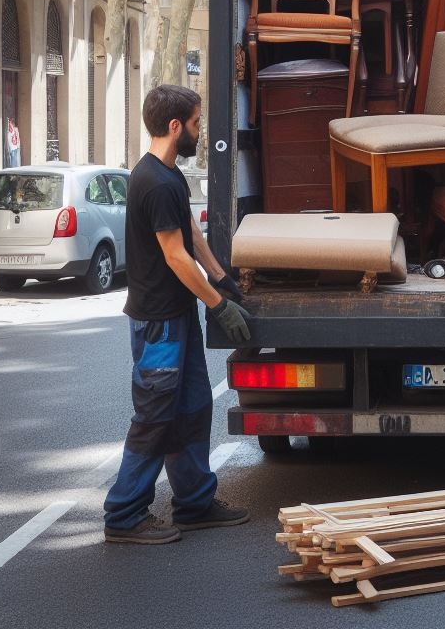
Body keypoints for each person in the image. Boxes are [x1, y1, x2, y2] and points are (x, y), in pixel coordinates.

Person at [104, 84, 252, 545]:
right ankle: (124, 515)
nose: (199, 131)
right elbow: (174, 256)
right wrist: (218, 305)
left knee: (192, 408)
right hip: (159, 324)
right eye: (195, 123)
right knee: (155, 419)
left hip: (177, 315)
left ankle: (194, 503)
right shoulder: (154, 181)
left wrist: (222, 277)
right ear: (175, 126)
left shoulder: (169, 176)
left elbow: (190, 234)